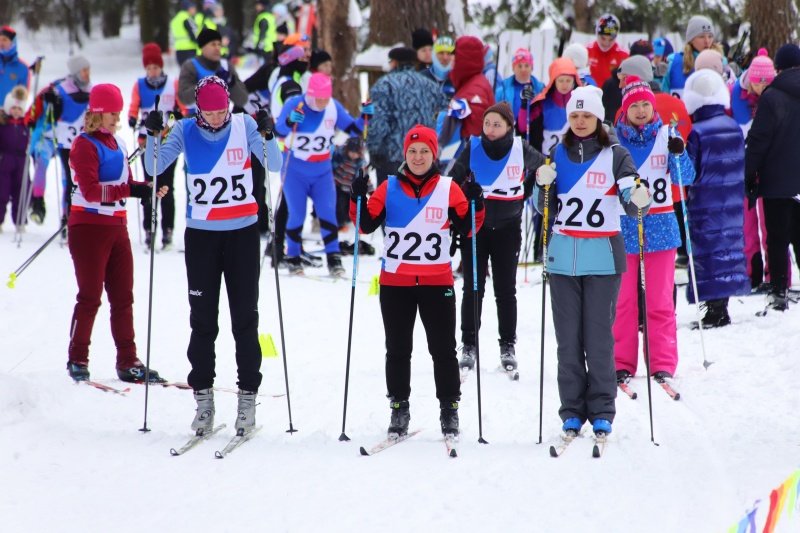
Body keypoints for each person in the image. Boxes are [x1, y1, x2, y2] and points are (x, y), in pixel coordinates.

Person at [143, 76, 282, 435]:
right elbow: (154, 167)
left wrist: (269, 134)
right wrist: (151, 135)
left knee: (245, 319)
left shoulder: (243, 123)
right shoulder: (185, 129)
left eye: (223, 110)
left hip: (242, 235)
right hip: (202, 237)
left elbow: (274, 164)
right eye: (211, 111)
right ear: (198, 108)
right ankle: (203, 401)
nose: (218, 117)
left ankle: (247, 399)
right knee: (203, 321)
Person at [349, 124, 485, 439]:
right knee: (397, 349)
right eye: (412, 151)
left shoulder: (449, 188)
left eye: (424, 150)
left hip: (437, 282)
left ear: (433, 153)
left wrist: (477, 201)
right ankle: (399, 407)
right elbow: (366, 224)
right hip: (396, 283)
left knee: (443, 349)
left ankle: (449, 408)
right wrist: (356, 195)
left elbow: (468, 228)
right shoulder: (388, 187)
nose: (418, 157)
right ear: (404, 154)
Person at [532, 85, 650, 437]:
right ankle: (571, 410)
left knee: (598, 338)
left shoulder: (615, 154)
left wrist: (637, 195)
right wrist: (543, 187)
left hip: (602, 257)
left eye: (586, 115)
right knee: (568, 340)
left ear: (598, 117)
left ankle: (601, 408)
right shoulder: (557, 153)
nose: (580, 121)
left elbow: (633, 204)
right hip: (563, 257)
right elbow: (544, 208)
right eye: (574, 115)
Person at [66, 83, 168, 383]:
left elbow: (127, 183)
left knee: (123, 297)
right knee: (90, 297)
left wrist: (145, 189)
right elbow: (91, 190)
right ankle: (77, 357)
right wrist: (133, 190)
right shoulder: (84, 144)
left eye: (118, 112)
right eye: (110, 112)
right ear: (96, 112)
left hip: (117, 227)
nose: (115, 118)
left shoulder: (119, 143)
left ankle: (128, 360)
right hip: (88, 228)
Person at [448, 102, 545, 375]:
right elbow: (451, 181)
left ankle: (507, 345)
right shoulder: (473, 146)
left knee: (505, 290)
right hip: (475, 229)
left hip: (507, 229)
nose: (490, 129)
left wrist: (522, 194)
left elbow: (544, 169)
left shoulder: (519, 147)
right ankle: (468, 345)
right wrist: (461, 205)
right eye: (487, 123)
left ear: (508, 127)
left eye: (497, 124)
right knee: (473, 289)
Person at [612, 76, 695, 383]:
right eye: (635, 105)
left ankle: (662, 362)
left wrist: (680, 152)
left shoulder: (666, 134)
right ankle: (622, 362)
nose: (642, 110)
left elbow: (685, 177)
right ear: (625, 110)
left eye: (647, 103)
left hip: (660, 228)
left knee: (659, 302)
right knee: (623, 302)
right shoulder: (614, 142)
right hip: (623, 228)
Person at [274, 72, 370, 276]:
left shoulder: (333, 106)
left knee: (328, 213)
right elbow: (279, 131)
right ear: (310, 95)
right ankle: (292, 257)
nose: (323, 103)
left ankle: (334, 259)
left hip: (322, 171)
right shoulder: (295, 104)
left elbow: (354, 130)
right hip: (295, 169)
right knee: (297, 214)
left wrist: (365, 116)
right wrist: (290, 121)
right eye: (319, 99)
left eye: (326, 98)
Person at [682, 69, 750, 326]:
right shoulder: (733, 127)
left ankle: (713, 308)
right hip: (731, 199)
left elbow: (688, 171)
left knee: (708, 251)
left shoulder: (697, 132)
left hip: (705, 202)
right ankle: (722, 304)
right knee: (728, 249)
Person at [745, 43, 800, 311]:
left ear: (777, 68)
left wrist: (749, 172)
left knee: (777, 238)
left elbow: (758, 141)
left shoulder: (772, 96)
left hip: (777, 180)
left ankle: (779, 290)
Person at [127, 42, 181, 250]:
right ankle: (149, 229)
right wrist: (132, 118)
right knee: (150, 184)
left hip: (168, 140)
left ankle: (168, 230)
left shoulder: (172, 84)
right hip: (146, 141)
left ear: (161, 66)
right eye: (148, 68)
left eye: (155, 67)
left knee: (167, 186)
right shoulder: (139, 85)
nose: (152, 71)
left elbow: (181, 106)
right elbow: (133, 106)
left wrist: (180, 113)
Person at [731, 49, 776, 291]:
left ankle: (775, 274)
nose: (762, 88)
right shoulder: (735, 93)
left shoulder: (775, 94)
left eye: (767, 83)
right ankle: (752, 273)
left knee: (771, 224)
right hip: (744, 166)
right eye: (759, 83)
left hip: (769, 167)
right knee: (747, 225)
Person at [367, 47, 442, 186]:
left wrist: (375, 151)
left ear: (394, 63)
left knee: (391, 203)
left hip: (393, 156)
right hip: (424, 155)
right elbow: (442, 112)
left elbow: (378, 121)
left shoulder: (385, 85)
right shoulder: (430, 85)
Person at [40, 55, 92, 237]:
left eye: (88, 70)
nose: (87, 74)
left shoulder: (91, 89)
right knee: (71, 182)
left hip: (86, 143)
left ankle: (83, 218)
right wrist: (52, 103)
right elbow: (52, 116)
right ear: (76, 72)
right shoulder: (62, 89)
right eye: (84, 70)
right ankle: (68, 219)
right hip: (67, 144)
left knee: (85, 182)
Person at [178, 28, 248, 115]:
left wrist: (231, 83)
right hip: (195, 119)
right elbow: (184, 98)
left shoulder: (226, 66)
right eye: (213, 44)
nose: (217, 48)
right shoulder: (191, 66)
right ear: (203, 47)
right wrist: (205, 84)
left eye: (219, 44)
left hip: (221, 120)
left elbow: (242, 100)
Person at [527, 57, 580, 156]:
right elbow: (528, 130)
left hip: (573, 157)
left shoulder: (581, 101)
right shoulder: (541, 103)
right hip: (545, 158)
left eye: (568, 80)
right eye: (561, 80)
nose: (564, 85)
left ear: (574, 81)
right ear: (554, 81)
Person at [662, 15, 720, 98]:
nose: (707, 41)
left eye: (710, 36)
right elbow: (663, 97)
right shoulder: (674, 62)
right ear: (691, 39)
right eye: (701, 37)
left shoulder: (720, 61)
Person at [333, 136, 373, 256]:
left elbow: (365, 180)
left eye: (356, 153)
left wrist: (372, 192)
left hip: (349, 189)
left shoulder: (360, 164)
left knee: (348, 206)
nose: (353, 155)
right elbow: (331, 168)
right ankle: (339, 224)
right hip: (337, 186)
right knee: (338, 205)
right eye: (351, 152)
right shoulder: (340, 158)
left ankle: (346, 221)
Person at [494, 48, 545, 139]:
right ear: (513, 68)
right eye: (519, 66)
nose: (523, 69)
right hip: (509, 135)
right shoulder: (502, 89)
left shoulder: (540, 88)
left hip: (533, 136)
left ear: (532, 67)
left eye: (526, 65)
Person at [0, 86, 30, 232]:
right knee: (2, 191)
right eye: (14, 108)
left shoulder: (26, 125)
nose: (16, 111)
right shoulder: (3, 124)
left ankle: (20, 221)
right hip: (5, 160)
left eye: (19, 108)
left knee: (21, 190)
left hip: (21, 161)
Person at [587, 13, 629, 87]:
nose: (606, 43)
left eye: (611, 39)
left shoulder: (624, 55)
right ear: (597, 34)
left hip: (612, 96)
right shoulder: (586, 51)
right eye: (603, 38)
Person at [0, 26, 30, 104]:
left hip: (9, 113)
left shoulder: (22, 68)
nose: (1, 43)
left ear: (13, 42)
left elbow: (23, 96)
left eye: (4, 40)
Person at [421, 36, 456, 101]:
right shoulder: (421, 77)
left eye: (449, 53)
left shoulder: (457, 80)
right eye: (441, 53)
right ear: (433, 54)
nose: (445, 58)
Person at [170, 0, 200, 65]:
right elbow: (194, 35)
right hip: (189, 50)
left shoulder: (175, 19)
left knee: (184, 72)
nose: (195, 10)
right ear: (189, 8)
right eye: (194, 8)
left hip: (179, 50)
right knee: (192, 72)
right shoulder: (187, 18)